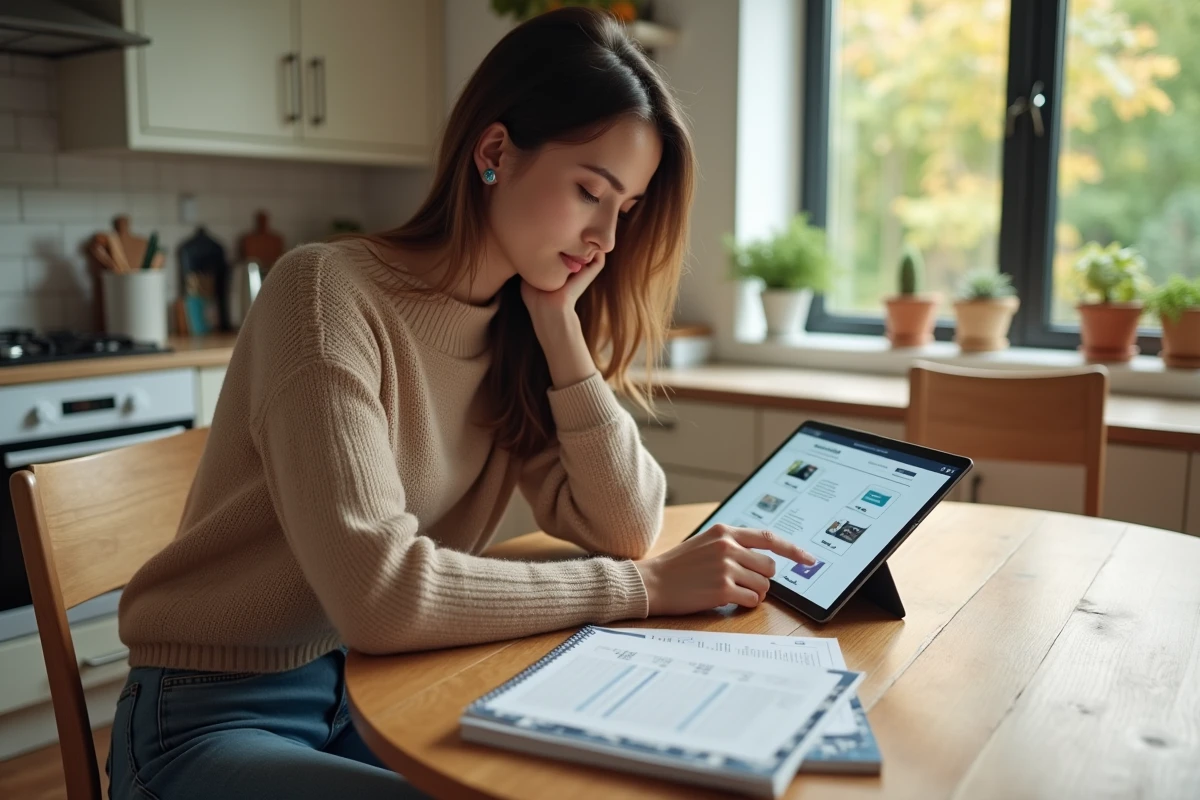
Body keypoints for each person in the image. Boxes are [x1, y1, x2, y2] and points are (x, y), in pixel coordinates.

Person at [105, 8, 816, 799]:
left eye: (627, 209)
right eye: (590, 191)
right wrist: (644, 589)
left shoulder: (515, 327)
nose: (606, 239)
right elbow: (380, 595)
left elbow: (624, 526)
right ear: (495, 152)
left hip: (375, 690)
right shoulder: (323, 294)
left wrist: (559, 326)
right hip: (211, 713)